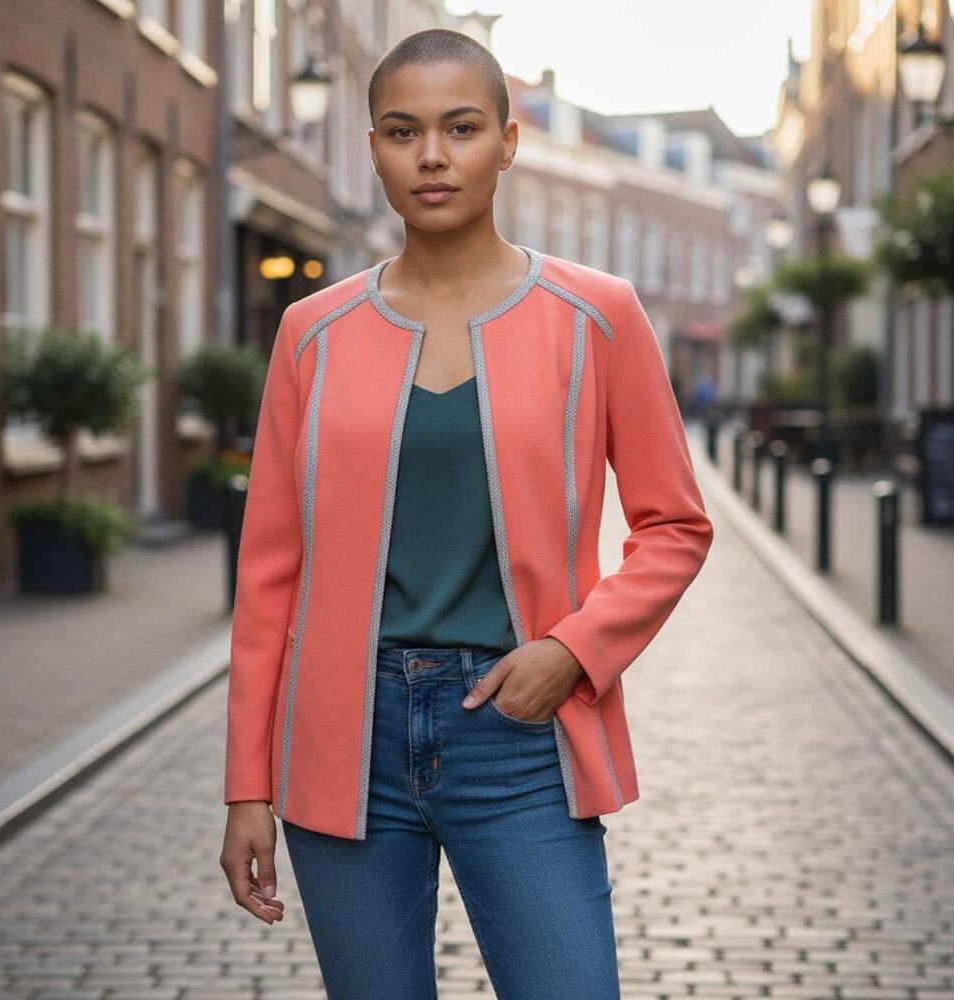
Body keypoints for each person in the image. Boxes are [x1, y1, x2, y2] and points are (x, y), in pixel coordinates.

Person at [219, 27, 714, 1000]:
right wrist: (247, 785)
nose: (433, 155)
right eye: (403, 131)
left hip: (521, 732)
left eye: (460, 128)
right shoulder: (309, 335)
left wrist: (573, 650)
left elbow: (674, 525)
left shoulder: (597, 315)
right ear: (371, 148)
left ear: (508, 141)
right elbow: (269, 573)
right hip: (343, 739)